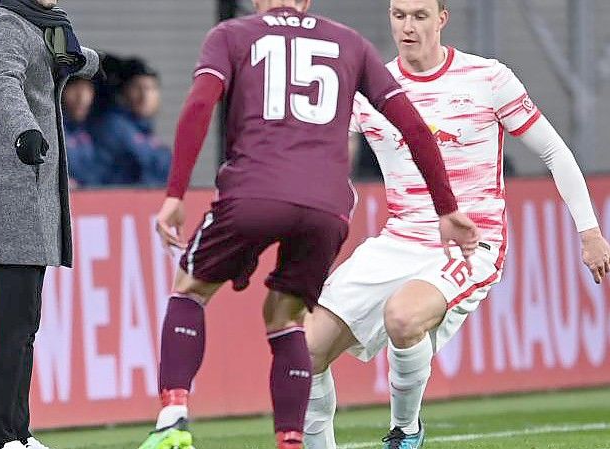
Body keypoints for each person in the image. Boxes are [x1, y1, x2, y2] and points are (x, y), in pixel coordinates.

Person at [137, 1, 481, 448]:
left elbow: (200, 104)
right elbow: (413, 126)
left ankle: (172, 418)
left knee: (190, 290)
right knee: (286, 318)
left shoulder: (231, 35)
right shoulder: (349, 42)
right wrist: (446, 207)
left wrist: (174, 195)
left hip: (253, 193)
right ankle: (291, 441)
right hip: (327, 208)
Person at [302, 1, 610, 449]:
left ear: (442, 19)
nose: (407, 26)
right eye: (399, 14)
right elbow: (325, 159)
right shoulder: (370, 89)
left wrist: (590, 232)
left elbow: (555, 153)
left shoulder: (487, 78)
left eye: (420, 16)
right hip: (398, 239)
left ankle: (406, 432)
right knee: (305, 350)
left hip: (470, 244)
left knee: (403, 317)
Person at [0, 0, 100, 448]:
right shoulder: (4, 25)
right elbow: (1, 85)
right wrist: (24, 129)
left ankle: (17, 432)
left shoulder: (43, 24)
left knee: (25, 326)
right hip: (12, 192)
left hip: (33, 194)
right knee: (13, 328)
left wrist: (81, 58)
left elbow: (71, 62)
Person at [90, 57, 171, 186]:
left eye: (151, 88)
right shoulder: (113, 126)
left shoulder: (145, 131)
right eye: (137, 87)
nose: (145, 96)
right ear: (123, 92)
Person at [62, 77, 104, 186]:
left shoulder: (92, 128)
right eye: (75, 88)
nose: (82, 98)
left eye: (87, 89)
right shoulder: (50, 130)